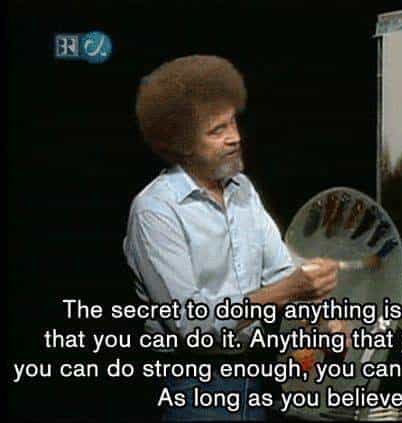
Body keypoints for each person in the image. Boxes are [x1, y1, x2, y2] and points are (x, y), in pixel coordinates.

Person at [123, 55, 339, 421]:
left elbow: (283, 272)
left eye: (233, 122)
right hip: (193, 386)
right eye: (216, 130)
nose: (235, 138)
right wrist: (287, 291)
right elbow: (191, 326)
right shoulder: (155, 210)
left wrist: (324, 321)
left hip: (251, 380)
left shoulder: (243, 191)